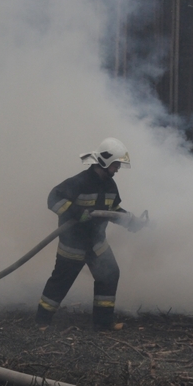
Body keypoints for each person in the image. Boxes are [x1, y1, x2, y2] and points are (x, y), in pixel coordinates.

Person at [35, 137, 144, 330]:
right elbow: (53, 199)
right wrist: (75, 212)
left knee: (109, 275)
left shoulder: (110, 186)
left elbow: (113, 210)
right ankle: (42, 322)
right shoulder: (79, 182)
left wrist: (130, 222)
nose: (118, 169)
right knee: (60, 282)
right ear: (106, 162)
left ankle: (103, 325)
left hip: (97, 244)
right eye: (116, 164)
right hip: (73, 245)